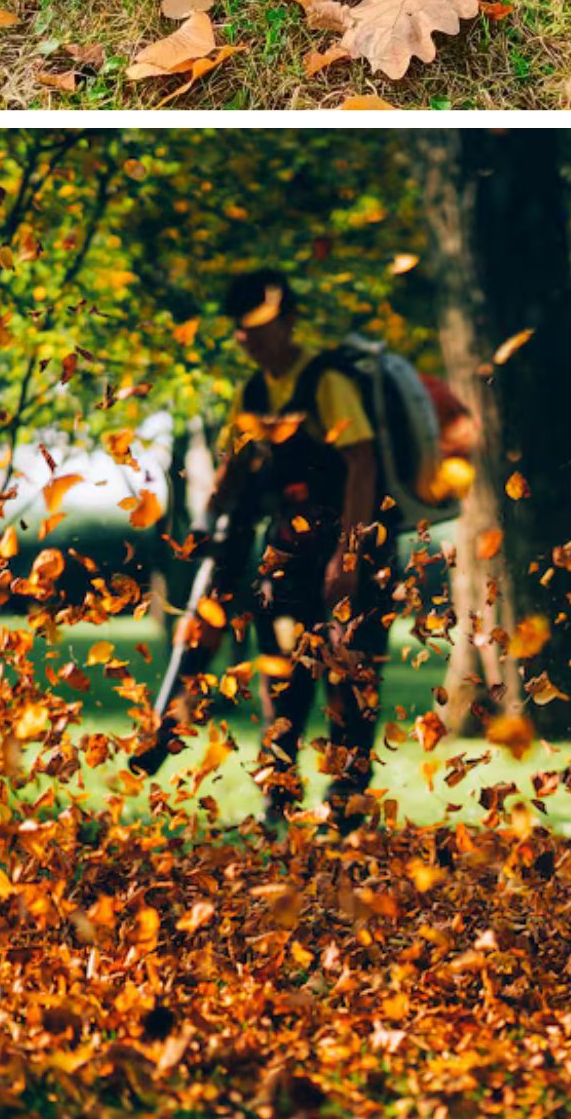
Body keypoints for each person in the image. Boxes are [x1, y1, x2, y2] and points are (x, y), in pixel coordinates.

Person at [133, 268, 395, 834]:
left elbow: (363, 466)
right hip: (290, 555)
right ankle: (279, 799)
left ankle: (347, 808)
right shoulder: (253, 393)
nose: (249, 337)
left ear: (287, 321)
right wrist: (207, 523)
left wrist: (347, 560)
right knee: (283, 679)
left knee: (347, 678)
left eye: (260, 324)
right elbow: (234, 468)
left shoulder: (326, 381)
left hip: (351, 549)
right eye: (243, 328)